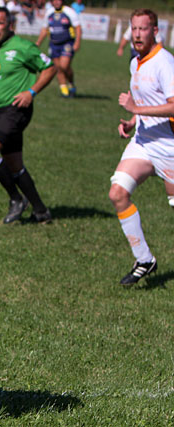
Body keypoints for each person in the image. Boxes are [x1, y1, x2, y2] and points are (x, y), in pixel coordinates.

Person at [0, 6, 56, 224]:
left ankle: (16, 199)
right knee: (14, 164)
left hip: (16, 109)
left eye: (0, 23)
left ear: (10, 25)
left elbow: (50, 68)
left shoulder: (23, 47)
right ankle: (41, 211)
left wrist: (31, 92)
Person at [111, 9, 174, 286]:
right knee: (118, 193)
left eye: (143, 29)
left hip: (169, 145)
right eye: (134, 29)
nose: (137, 34)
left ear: (155, 31)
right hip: (144, 141)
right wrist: (133, 120)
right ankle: (144, 259)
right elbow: (143, 99)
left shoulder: (164, 62)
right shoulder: (134, 61)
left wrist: (137, 108)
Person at [35, 0, 80, 98]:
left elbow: (78, 28)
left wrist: (77, 42)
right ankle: (64, 90)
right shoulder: (49, 12)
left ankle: (71, 83)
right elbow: (44, 29)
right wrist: (38, 42)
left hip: (67, 43)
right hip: (54, 44)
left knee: (64, 66)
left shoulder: (69, 11)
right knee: (58, 67)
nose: (56, 2)